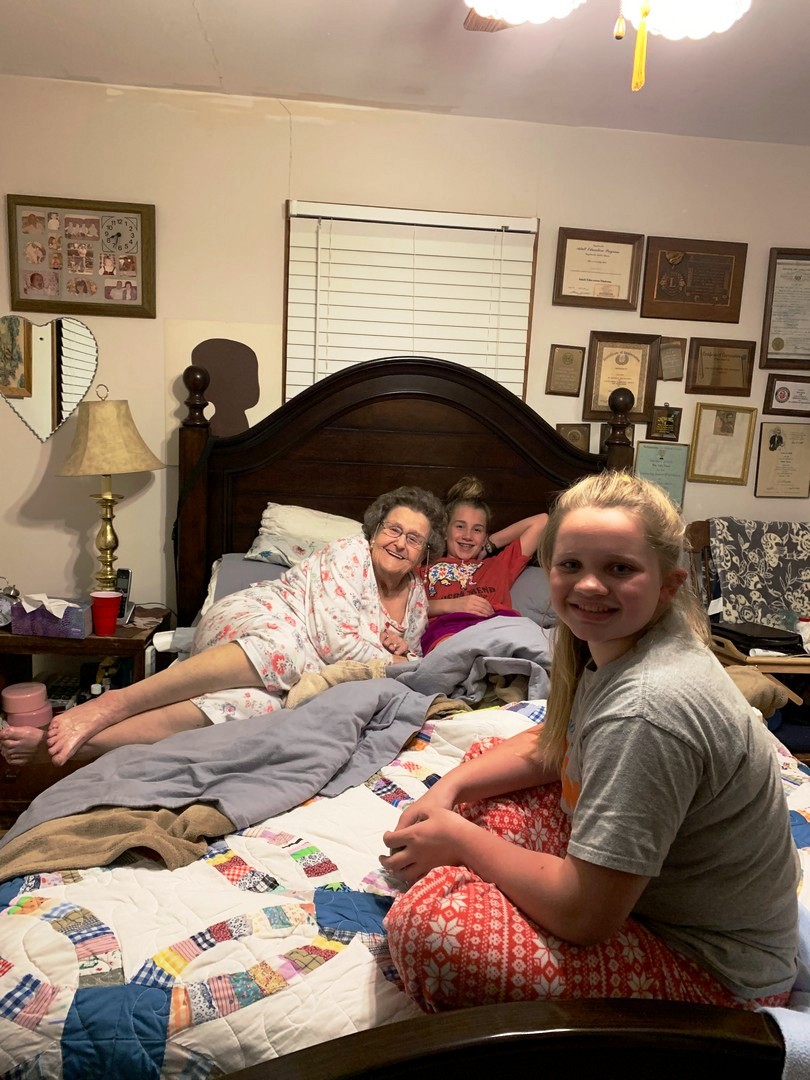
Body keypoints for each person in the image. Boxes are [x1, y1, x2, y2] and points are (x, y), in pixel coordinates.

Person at [382, 471, 798, 1013]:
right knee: (485, 761)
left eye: (619, 569)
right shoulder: (616, 643)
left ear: (669, 584)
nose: (589, 586)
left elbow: (585, 917)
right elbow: (558, 740)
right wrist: (450, 788)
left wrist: (460, 842)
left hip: (713, 972)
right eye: (571, 565)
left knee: (431, 930)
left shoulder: (647, 708)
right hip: (655, 896)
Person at [2, 486, 446, 770]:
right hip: (257, 620)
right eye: (393, 529)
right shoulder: (348, 554)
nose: (399, 543)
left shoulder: (416, 600)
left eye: (414, 539)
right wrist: (389, 653)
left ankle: (79, 744)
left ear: (425, 553)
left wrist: (398, 655)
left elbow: (407, 664)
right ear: (374, 531)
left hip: (290, 674)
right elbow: (339, 646)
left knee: (256, 707)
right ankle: (116, 702)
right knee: (285, 654)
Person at [421, 475, 547, 653]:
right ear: (445, 532)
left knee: (539, 642)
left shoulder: (497, 566)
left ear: (484, 536)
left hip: (500, 629)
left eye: (477, 530)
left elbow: (542, 521)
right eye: (460, 526)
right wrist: (453, 605)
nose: (468, 536)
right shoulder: (425, 567)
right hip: (449, 631)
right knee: (450, 652)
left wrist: (489, 545)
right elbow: (405, 609)